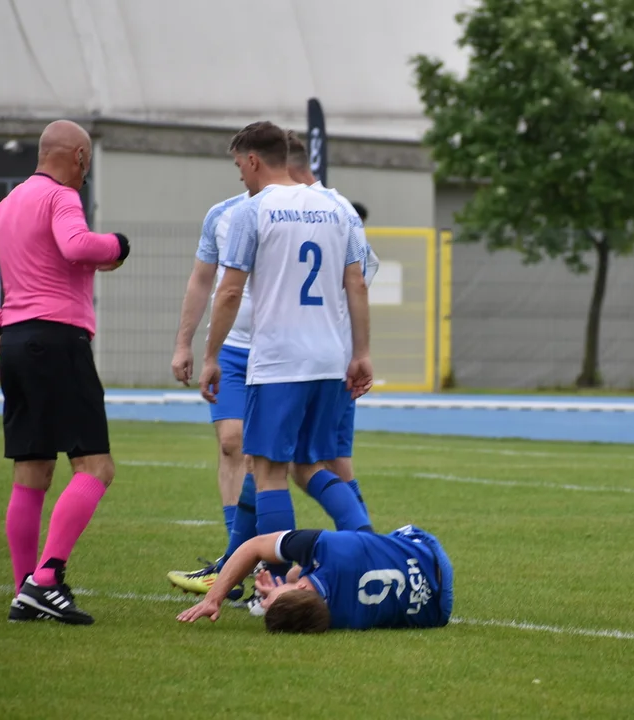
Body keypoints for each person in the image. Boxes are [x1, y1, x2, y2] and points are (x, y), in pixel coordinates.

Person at [0, 119, 131, 625]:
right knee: (96, 468)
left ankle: (23, 591)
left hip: (18, 344)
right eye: (87, 159)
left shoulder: (8, 204)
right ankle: (47, 579)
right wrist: (116, 245)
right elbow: (76, 246)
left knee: (31, 475)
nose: (86, 169)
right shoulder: (60, 197)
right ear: (76, 156)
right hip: (59, 340)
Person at [193, 121, 374, 587]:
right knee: (312, 465)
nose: (239, 176)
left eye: (238, 165)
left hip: (278, 362)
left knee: (270, 471)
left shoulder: (253, 212)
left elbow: (229, 292)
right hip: (331, 359)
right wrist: (362, 353)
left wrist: (210, 355)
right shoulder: (338, 206)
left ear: (253, 160)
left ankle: (270, 583)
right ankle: (371, 548)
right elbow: (357, 283)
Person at [165, 187, 254, 600]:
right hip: (234, 350)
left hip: (283, 352)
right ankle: (235, 564)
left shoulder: (308, 209)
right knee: (231, 443)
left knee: (284, 461)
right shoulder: (222, 214)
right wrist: (186, 344)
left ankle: (260, 566)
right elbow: (203, 280)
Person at [284, 130, 379, 513]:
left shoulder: (291, 209)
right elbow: (364, 275)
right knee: (336, 459)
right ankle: (368, 544)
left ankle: (257, 557)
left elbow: (354, 280)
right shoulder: (343, 208)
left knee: (286, 463)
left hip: (301, 357)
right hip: (337, 351)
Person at [176, 524, 454, 633]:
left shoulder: (338, 619)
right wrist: (215, 599)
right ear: (303, 589)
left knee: (300, 567)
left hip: (435, 610)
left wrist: (284, 587)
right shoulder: (327, 549)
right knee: (308, 469)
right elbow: (255, 546)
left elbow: (297, 576)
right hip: (428, 555)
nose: (265, 598)